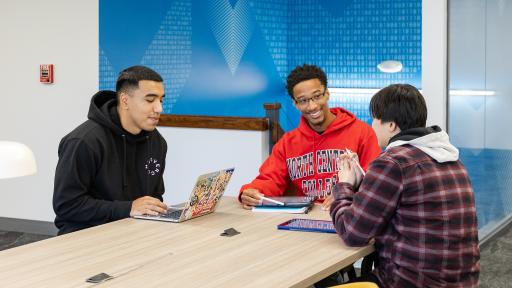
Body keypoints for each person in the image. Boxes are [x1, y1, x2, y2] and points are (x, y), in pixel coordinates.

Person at [331, 84, 480, 287]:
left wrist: (344, 185)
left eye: (374, 118)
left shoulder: (392, 162)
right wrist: (361, 186)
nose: (371, 124)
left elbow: (352, 232)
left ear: (391, 125)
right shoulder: (451, 159)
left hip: (411, 282)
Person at [239, 64, 381, 210]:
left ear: (327, 94)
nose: (312, 106)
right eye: (303, 100)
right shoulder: (287, 143)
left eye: (317, 96)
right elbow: (270, 179)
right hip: (305, 216)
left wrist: (346, 194)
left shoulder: (362, 132)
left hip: (348, 214)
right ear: (295, 104)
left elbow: (375, 182)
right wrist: (251, 191)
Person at [53, 65, 169, 235]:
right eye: (150, 100)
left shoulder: (157, 142)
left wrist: (155, 209)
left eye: (161, 100)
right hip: (85, 237)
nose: (159, 108)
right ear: (125, 100)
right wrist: (127, 208)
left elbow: (155, 194)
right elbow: (67, 205)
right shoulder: (83, 141)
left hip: (133, 233)